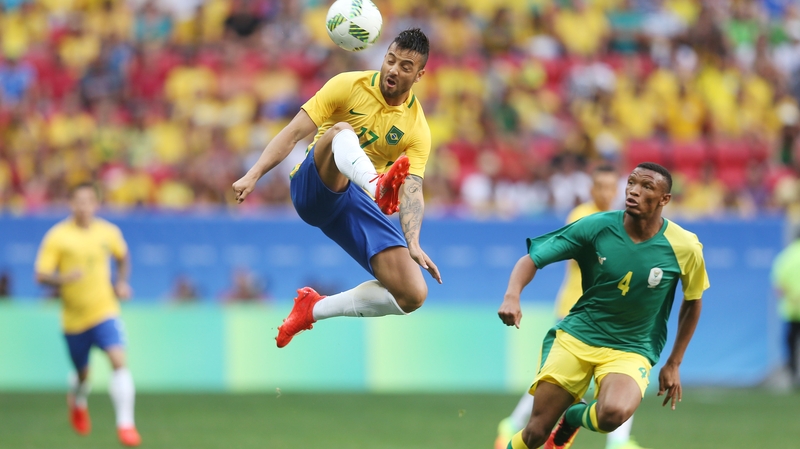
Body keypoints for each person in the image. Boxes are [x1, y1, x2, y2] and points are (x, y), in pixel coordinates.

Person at [232, 28, 441, 348]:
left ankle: (312, 309)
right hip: (314, 186)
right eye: (391, 60)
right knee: (341, 131)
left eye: (405, 67)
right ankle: (376, 185)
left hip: (354, 203)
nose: (394, 70)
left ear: (419, 75)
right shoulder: (348, 85)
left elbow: (412, 189)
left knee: (413, 294)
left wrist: (413, 241)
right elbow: (292, 133)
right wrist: (254, 174)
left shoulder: (417, 127)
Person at [498, 162, 708, 449]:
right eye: (632, 182)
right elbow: (533, 259)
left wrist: (674, 362)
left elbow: (693, 300)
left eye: (647, 187)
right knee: (535, 433)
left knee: (613, 414)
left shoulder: (685, 247)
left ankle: (573, 417)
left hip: (631, 347)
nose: (634, 191)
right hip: (577, 337)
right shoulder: (595, 226)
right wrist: (512, 295)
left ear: (665, 199)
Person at [34, 182, 140, 447]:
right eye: (78, 201)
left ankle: (126, 425)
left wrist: (122, 282)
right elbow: (41, 275)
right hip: (73, 319)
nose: (83, 207)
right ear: (71, 204)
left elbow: (123, 256)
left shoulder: (108, 232)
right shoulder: (58, 236)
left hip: (104, 310)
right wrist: (64, 278)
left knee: (118, 361)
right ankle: (78, 400)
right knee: (83, 376)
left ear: (96, 204)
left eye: (88, 201)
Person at [771, 227, 800, 385]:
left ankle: (793, 375)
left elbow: (778, 287)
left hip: (791, 311)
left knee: (791, 345)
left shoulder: (785, 257)